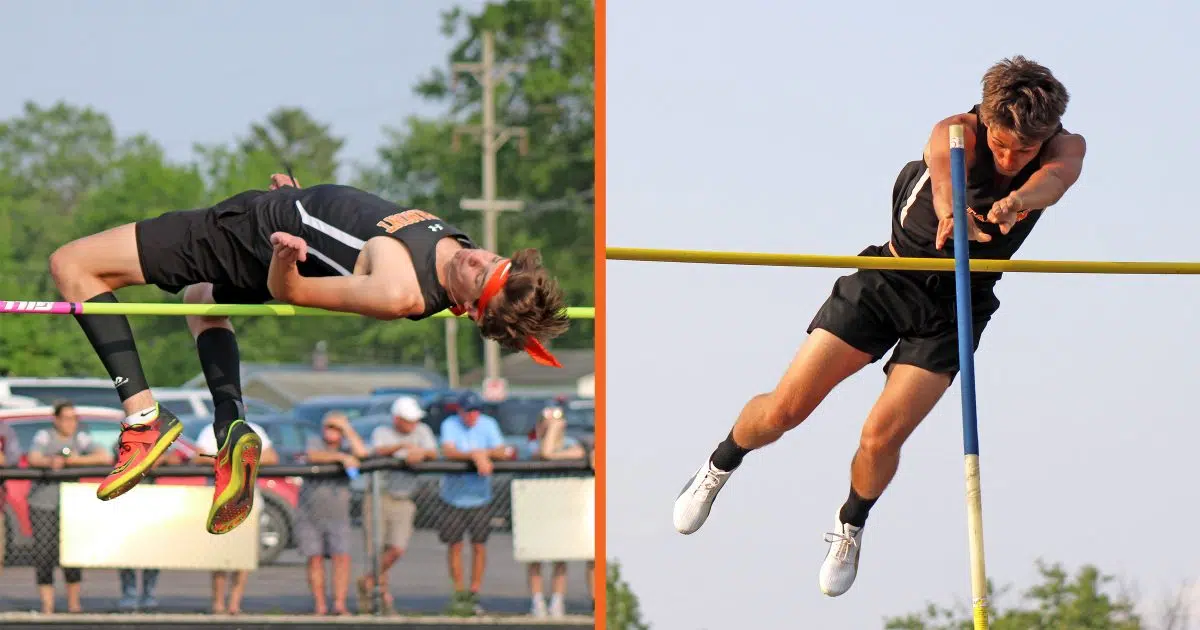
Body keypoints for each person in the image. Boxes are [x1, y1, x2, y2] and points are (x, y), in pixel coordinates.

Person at [672, 56, 1087, 598]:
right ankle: (720, 464)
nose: (1010, 159)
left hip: (955, 309)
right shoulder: (955, 132)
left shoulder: (1064, 148)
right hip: (888, 280)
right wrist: (951, 211)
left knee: (880, 437)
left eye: (1024, 151)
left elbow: (1055, 180)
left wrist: (1018, 200)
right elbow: (945, 176)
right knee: (785, 411)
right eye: (1002, 145)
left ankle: (850, 524)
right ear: (986, 120)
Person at [46, 174, 571, 536]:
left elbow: (291, 290)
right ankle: (231, 429)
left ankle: (143, 417)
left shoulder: (399, 292)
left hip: (249, 235)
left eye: (481, 275)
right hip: (276, 219)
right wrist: (303, 201)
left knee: (73, 265)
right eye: (492, 260)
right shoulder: (455, 247)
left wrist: (285, 253)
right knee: (202, 301)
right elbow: (353, 228)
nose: (477, 258)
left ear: (470, 309)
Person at [25, 401, 113, 614]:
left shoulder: (80, 438)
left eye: (74, 418)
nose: (70, 423)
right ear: (56, 420)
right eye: (66, 418)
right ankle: (47, 606)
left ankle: (74, 604)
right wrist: (50, 462)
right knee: (44, 555)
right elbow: (33, 457)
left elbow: (105, 456)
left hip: (71, 505)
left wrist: (73, 461)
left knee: (72, 553)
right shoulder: (45, 436)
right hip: (43, 504)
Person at [357, 395, 439, 615]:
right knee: (377, 550)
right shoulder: (382, 432)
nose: (413, 424)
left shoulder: (422, 431)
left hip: (404, 497)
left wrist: (420, 452)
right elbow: (377, 450)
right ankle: (382, 600)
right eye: (409, 420)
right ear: (397, 419)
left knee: (397, 548)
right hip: (379, 496)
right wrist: (401, 447)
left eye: (415, 420)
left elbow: (433, 451)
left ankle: (368, 581)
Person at [438, 393, 516, 616]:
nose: (472, 416)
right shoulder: (450, 424)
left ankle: (474, 591)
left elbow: (501, 450)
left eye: (476, 411)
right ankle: (458, 591)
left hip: (480, 497)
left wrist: (483, 453)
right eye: (468, 411)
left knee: (479, 545)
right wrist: (474, 456)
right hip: (453, 497)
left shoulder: (488, 424)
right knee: (455, 545)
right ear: (460, 411)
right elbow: (448, 451)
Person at [194, 419, 279, 615]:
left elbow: (271, 457)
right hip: (220, 500)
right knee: (219, 553)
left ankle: (234, 604)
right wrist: (227, 459)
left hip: (245, 499)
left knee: (243, 554)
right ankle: (218, 603)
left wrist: (240, 460)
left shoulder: (254, 430)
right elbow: (198, 456)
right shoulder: (212, 430)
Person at [298, 411, 369, 616]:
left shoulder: (348, 446)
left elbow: (363, 454)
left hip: (339, 515)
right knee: (315, 558)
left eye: (336, 428)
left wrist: (347, 430)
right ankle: (320, 606)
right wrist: (341, 458)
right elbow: (313, 455)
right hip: (310, 513)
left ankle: (339, 604)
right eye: (329, 426)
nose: (331, 431)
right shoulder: (315, 441)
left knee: (341, 558)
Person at [522, 403, 587, 618]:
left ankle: (557, 601)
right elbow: (545, 453)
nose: (550, 426)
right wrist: (550, 432)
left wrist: (556, 439)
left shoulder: (571, 443)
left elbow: (575, 453)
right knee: (535, 556)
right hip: (535, 507)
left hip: (560, 506)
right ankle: (537, 601)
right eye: (545, 423)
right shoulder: (531, 445)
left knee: (560, 556)